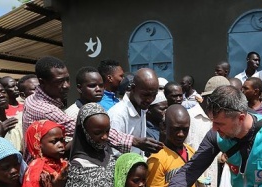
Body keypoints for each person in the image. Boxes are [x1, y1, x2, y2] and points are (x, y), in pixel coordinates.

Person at [22, 56, 163, 161]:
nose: (66, 86)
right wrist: (135, 141)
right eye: (59, 81)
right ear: (42, 81)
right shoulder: (46, 109)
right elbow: (86, 129)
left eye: (67, 79)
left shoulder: (33, 99)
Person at [108, 68, 161, 157]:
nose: (150, 100)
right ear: (133, 88)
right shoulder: (118, 114)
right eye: (145, 95)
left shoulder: (142, 108)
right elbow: (114, 153)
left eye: (154, 95)